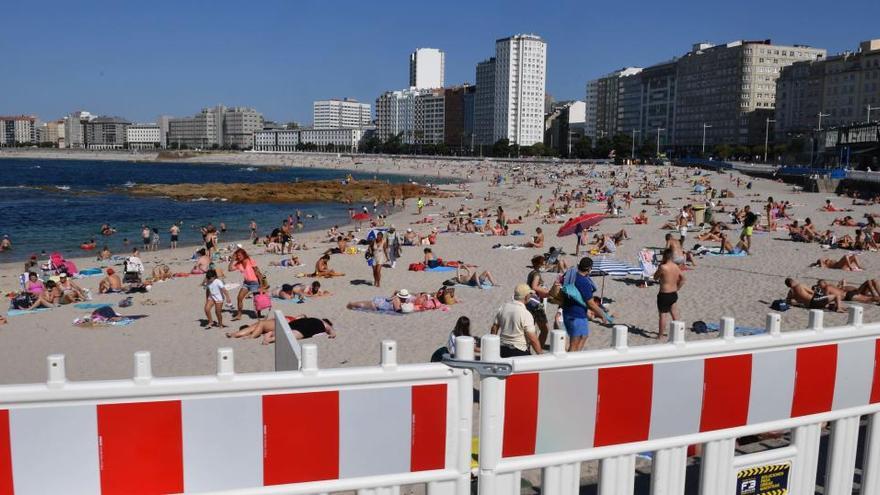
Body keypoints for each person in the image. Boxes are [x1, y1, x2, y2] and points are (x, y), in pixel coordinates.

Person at [560, 257, 605, 352]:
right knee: (575, 342)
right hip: (576, 315)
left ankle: (576, 358)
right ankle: (572, 362)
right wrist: (602, 314)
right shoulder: (583, 282)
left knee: (583, 336)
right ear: (589, 269)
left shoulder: (572, 275)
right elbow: (591, 303)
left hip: (568, 311)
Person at [490, 284, 542, 357]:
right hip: (519, 350)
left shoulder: (503, 307)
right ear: (527, 297)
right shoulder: (526, 314)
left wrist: (492, 345)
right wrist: (541, 354)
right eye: (530, 294)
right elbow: (533, 339)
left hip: (502, 349)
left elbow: (494, 328)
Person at [226, 315, 335, 344]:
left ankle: (235, 334)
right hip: (296, 326)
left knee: (260, 324)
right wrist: (332, 334)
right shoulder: (323, 324)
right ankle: (264, 338)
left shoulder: (315, 320)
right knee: (289, 335)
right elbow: (331, 330)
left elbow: (300, 317)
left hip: (290, 323)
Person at [653, 248, 685, 340]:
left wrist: (659, 268)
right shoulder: (676, 266)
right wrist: (677, 287)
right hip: (673, 293)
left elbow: (655, 277)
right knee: (674, 313)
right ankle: (678, 332)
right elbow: (683, 279)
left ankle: (660, 335)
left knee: (663, 315)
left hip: (664, 294)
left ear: (664, 256)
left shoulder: (663, 267)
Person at [228, 248, 262, 321]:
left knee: (257, 300)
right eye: (237, 256)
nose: (239, 257)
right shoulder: (238, 264)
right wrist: (232, 259)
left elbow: (257, 271)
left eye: (240, 255)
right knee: (239, 298)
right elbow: (230, 269)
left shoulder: (250, 260)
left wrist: (261, 285)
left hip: (255, 283)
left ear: (244, 254)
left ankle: (258, 314)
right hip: (246, 283)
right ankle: (239, 315)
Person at [526, 256, 550, 346]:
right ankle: (538, 350)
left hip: (530, 301)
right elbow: (534, 287)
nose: (544, 264)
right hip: (536, 303)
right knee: (545, 329)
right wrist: (548, 292)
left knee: (531, 326)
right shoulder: (536, 274)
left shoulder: (532, 273)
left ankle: (530, 347)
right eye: (543, 263)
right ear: (538, 264)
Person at [347, 289, 412, 312]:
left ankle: (352, 304)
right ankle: (351, 304)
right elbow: (397, 310)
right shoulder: (397, 300)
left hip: (380, 302)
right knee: (363, 305)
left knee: (365, 303)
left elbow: (395, 291)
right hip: (378, 305)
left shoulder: (398, 298)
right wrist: (405, 309)